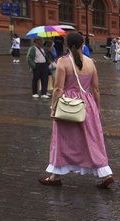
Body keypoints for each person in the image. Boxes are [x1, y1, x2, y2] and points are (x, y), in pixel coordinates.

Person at [39, 31, 114, 189]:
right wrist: (97, 108)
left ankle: (55, 175)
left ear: (66, 45)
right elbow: (96, 89)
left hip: (68, 105)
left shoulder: (63, 62)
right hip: (87, 104)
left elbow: (58, 88)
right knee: (93, 139)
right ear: (82, 45)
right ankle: (105, 174)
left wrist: (53, 107)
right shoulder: (91, 62)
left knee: (62, 139)